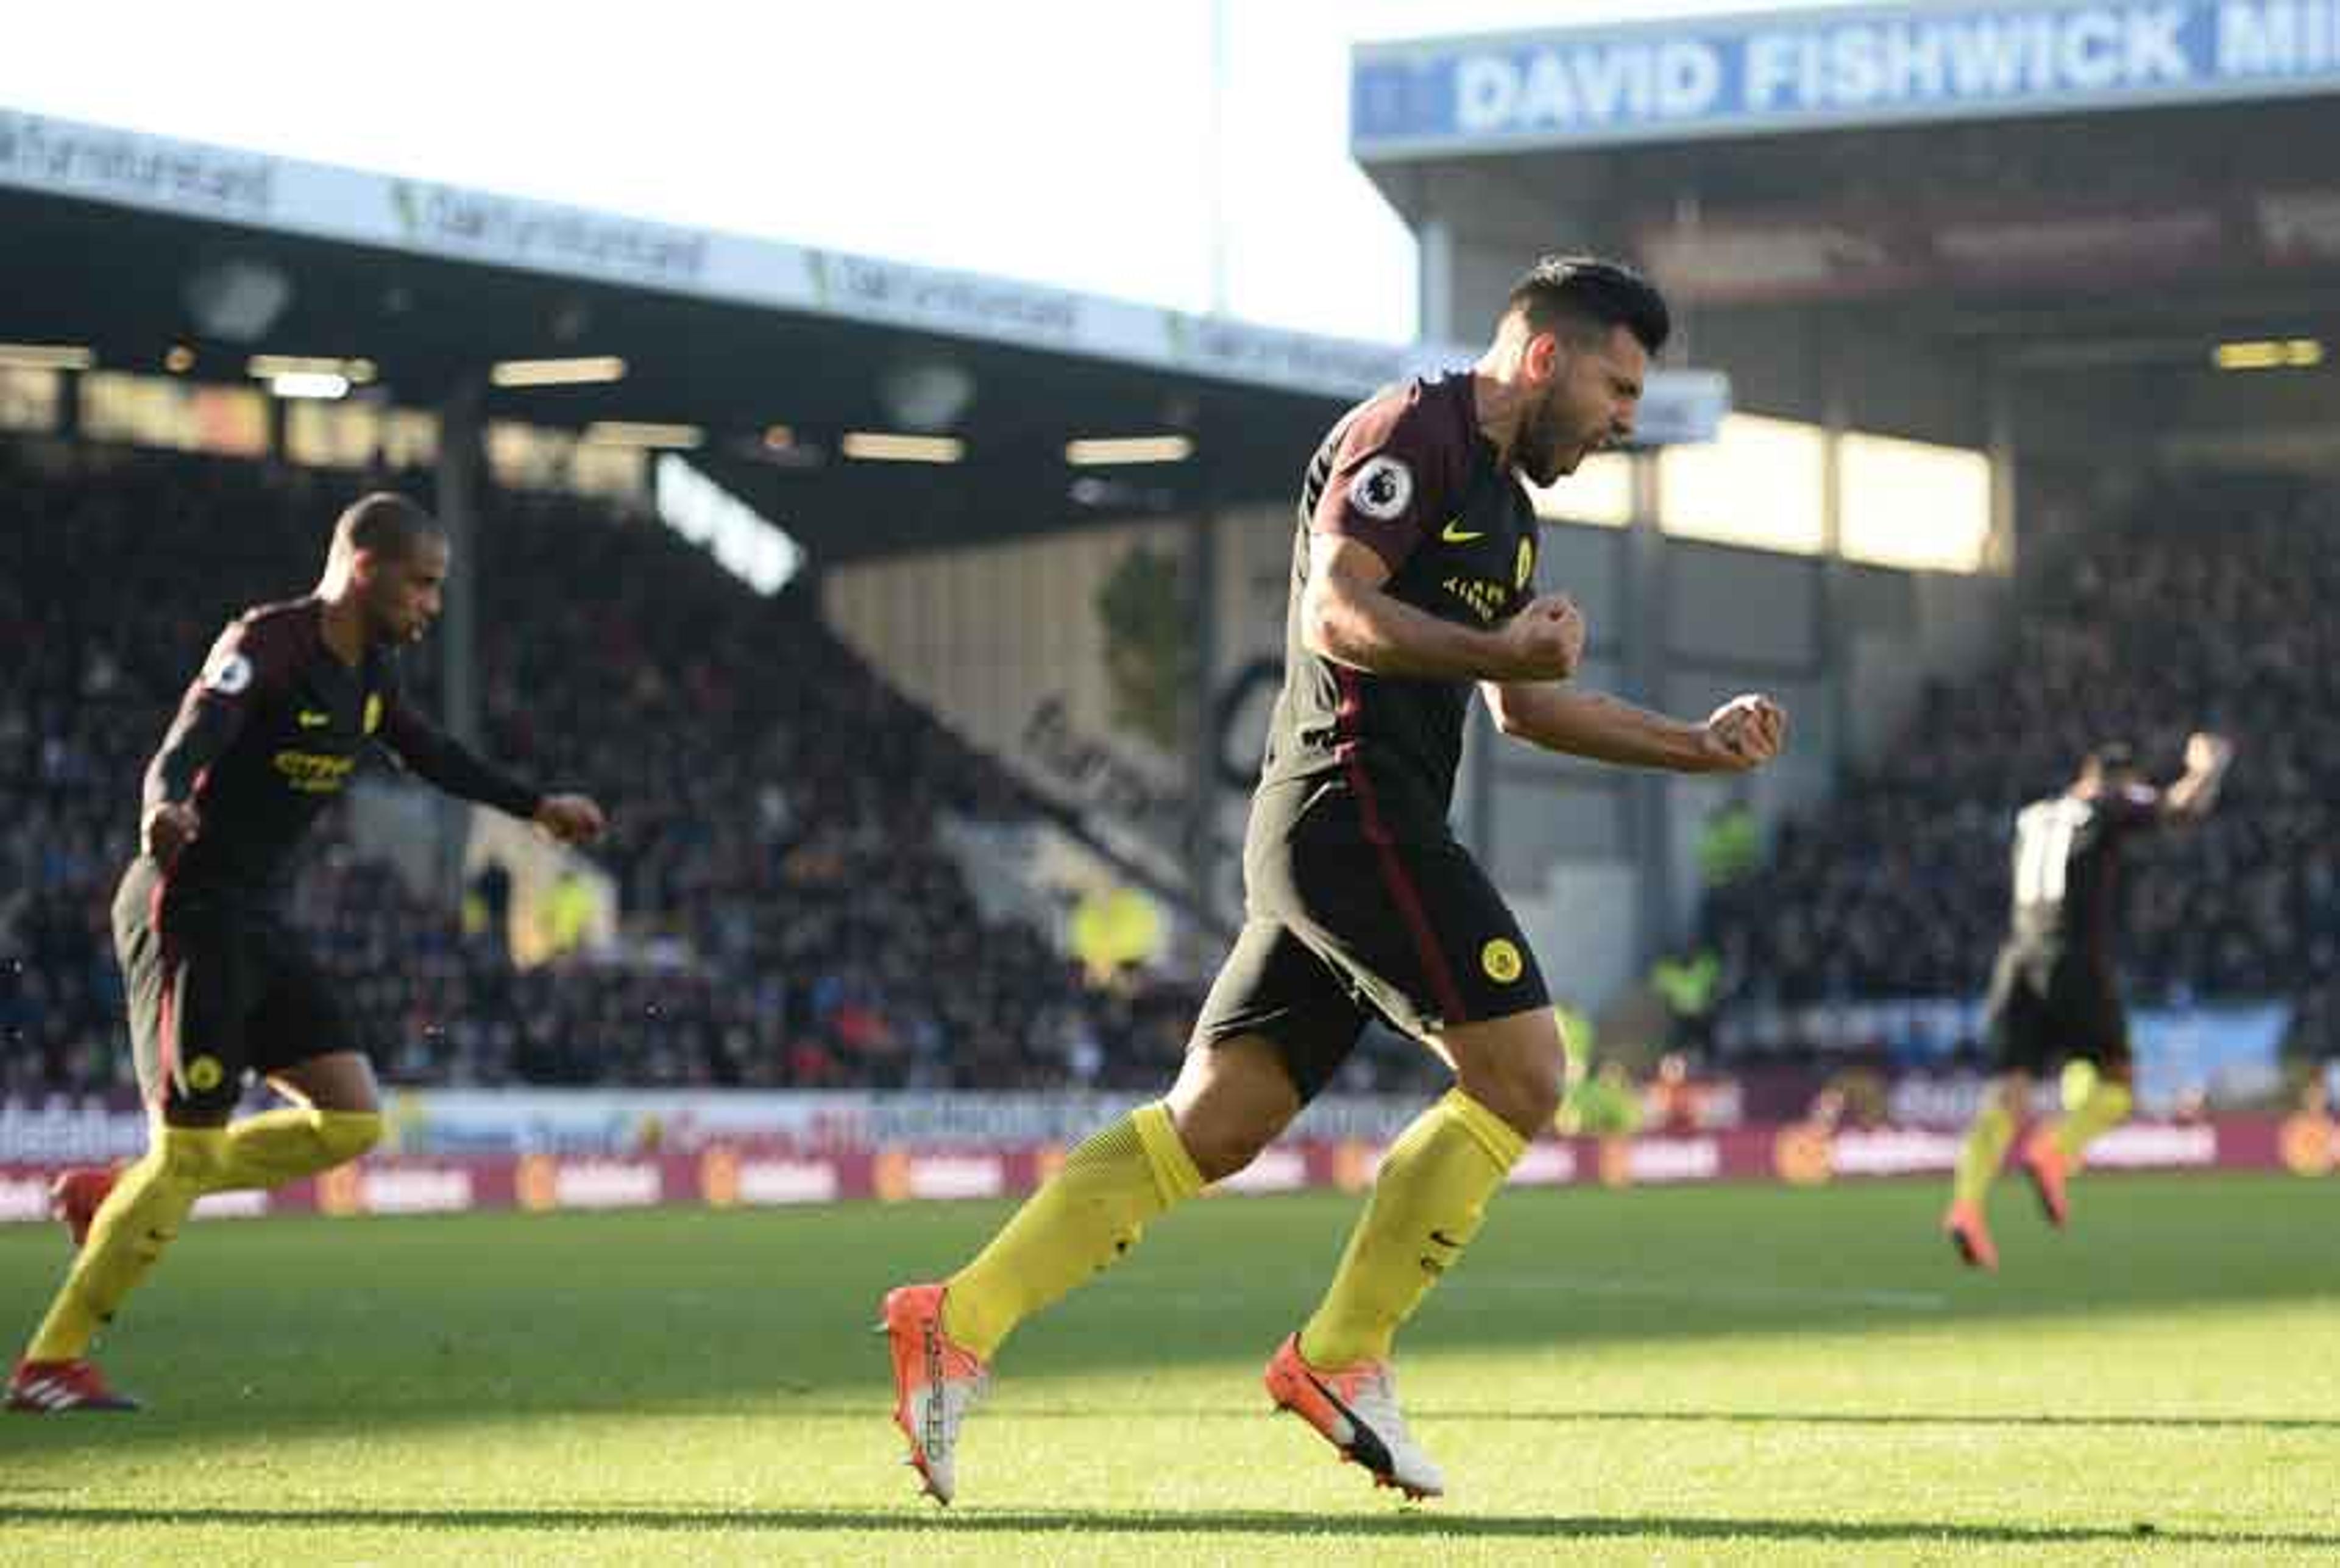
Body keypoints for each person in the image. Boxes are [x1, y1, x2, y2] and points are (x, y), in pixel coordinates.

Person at [879, 255, 1787, 1503]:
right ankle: (1342, 1353)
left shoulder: (1509, 512)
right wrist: (1489, 645)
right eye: (1620, 387)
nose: (1627, 418)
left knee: (1217, 1120)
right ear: (1543, 356)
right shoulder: (1410, 427)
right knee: (1524, 1072)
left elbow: (1524, 706)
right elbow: (1333, 614)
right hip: (1352, 813)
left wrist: (1694, 741)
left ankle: (955, 1313)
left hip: (1347, 834)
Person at [7, 492, 605, 1412]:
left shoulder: (369, 677)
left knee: (351, 1122)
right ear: (365, 567)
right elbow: (190, 735)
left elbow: (432, 754)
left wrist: (534, 805)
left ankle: (125, 1194)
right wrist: (162, 807)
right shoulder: (270, 644)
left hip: (258, 918)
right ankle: (53, 1359)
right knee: (191, 1149)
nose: (432, 604)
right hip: (189, 911)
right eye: (422, 583)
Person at [1942, 734, 2232, 1269]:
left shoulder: (2032, 816)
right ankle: (2055, 1151)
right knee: (2117, 1082)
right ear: (2117, 781)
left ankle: (1966, 1208)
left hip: (2017, 963)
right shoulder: (2106, 804)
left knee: (2005, 1097)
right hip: (2072, 961)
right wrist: (2205, 769)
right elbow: (2179, 807)